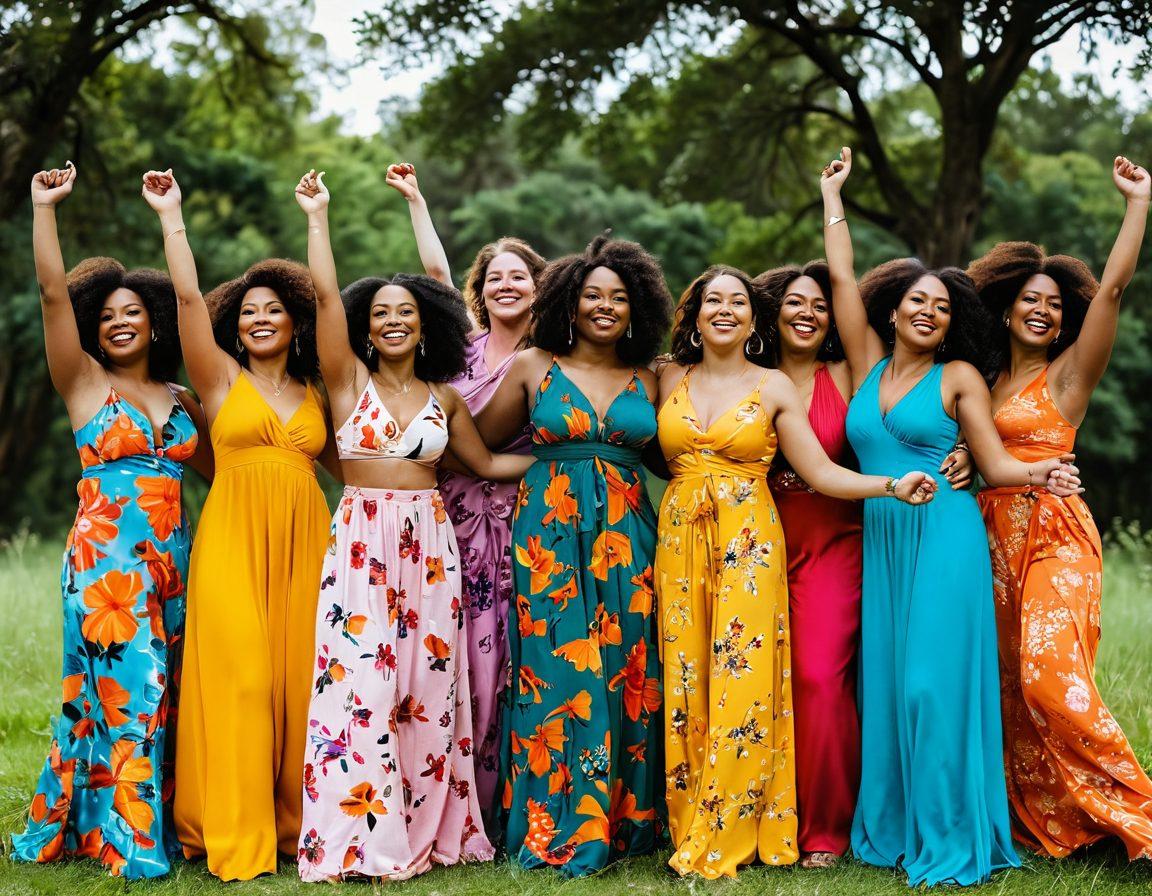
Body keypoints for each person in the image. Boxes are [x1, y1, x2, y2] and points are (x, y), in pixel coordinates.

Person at [822, 147, 1080, 886]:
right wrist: (834, 196)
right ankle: (898, 826)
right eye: (917, 301)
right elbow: (842, 276)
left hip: (944, 537)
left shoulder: (959, 376)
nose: (928, 312)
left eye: (942, 305)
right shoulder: (867, 362)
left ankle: (950, 832)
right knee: (887, 685)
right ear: (895, 309)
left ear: (951, 320)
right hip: (884, 537)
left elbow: (995, 464)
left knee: (929, 687)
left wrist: (1043, 473)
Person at [655, 265, 936, 879]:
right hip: (680, 546)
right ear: (693, 313)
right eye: (712, 300)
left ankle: (740, 823)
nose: (724, 310)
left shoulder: (775, 387)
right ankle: (690, 813)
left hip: (751, 542)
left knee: (746, 677)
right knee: (688, 680)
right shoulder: (665, 377)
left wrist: (894, 483)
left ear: (754, 319)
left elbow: (821, 470)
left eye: (737, 301)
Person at [292, 169, 533, 880]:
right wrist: (317, 218)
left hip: (432, 547)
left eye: (406, 312)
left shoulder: (445, 398)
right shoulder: (346, 383)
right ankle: (362, 836)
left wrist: (581, 461)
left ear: (427, 322)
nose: (393, 320)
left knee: (427, 696)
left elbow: (486, 464)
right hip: (364, 540)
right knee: (358, 688)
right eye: (381, 314)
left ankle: (430, 828)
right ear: (366, 325)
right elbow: (326, 298)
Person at [13, 163, 209, 878]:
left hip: (171, 565)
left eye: (133, 311)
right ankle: (131, 840)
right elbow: (50, 295)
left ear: (153, 320)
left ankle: (143, 818)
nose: (120, 321)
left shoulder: (182, 396)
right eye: (108, 315)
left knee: (169, 691)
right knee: (134, 691)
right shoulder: (84, 383)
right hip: (105, 567)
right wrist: (44, 208)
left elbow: (227, 470)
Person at [142, 168, 337, 880]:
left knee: (300, 682)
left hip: (306, 540)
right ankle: (233, 826)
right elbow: (189, 297)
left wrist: (317, 219)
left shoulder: (319, 390)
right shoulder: (220, 379)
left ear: (293, 321)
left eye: (273, 310)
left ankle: (295, 826)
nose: (259, 318)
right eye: (249, 310)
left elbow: (360, 466)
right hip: (232, 538)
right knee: (245, 680)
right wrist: (172, 215)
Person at [967, 154, 1152, 860]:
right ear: (1007, 305)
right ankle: (1071, 822)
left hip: (1054, 533)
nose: (1043, 310)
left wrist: (1138, 203)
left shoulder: (1068, 375)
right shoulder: (978, 378)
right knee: (1012, 691)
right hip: (991, 540)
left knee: (1051, 677)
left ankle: (1138, 811)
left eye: (1053, 302)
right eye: (1030, 300)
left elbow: (1109, 293)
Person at [476, 234, 672, 876]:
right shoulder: (535, 365)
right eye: (592, 295)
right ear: (569, 301)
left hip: (630, 539)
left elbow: (675, 455)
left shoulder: (652, 375)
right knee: (558, 676)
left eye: (619, 297)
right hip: (550, 542)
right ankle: (551, 826)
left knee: (626, 670)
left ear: (637, 305)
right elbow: (478, 446)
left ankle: (625, 823)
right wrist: (544, 470)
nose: (605, 306)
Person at [386, 163, 546, 822]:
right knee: (452, 652)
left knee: (515, 655)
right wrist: (419, 201)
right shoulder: (462, 354)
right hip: (449, 516)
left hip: (523, 514)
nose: (506, 284)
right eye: (494, 277)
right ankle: (452, 798)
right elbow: (436, 280)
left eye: (519, 275)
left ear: (540, 289)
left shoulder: (551, 359)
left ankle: (513, 800)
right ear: (480, 291)